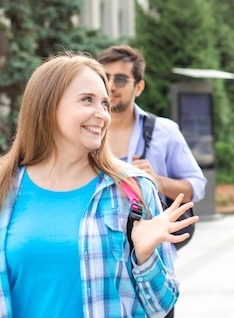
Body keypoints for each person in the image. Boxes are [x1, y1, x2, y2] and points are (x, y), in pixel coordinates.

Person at [0, 52, 198, 317]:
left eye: (104, 103)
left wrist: (144, 257)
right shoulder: (5, 184)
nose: (102, 114)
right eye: (87, 100)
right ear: (48, 106)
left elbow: (161, 307)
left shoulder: (133, 189)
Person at [97, 45, 207, 318]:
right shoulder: (87, 130)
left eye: (121, 78)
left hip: (153, 267)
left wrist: (156, 181)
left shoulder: (163, 131)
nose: (111, 86)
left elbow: (197, 186)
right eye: (105, 77)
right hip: (100, 265)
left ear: (139, 86)